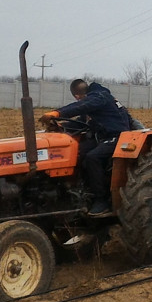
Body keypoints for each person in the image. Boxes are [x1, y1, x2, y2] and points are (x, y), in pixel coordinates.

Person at [44, 78, 134, 215]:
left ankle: (102, 201)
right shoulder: (94, 102)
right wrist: (61, 126)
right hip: (103, 136)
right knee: (78, 153)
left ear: (77, 96)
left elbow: (81, 106)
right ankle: (79, 193)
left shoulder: (99, 96)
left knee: (93, 158)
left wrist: (57, 113)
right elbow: (81, 123)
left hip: (118, 137)